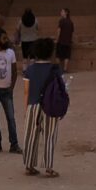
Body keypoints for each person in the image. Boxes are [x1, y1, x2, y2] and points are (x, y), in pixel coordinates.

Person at [22, 38, 62, 177]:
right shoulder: (55, 70)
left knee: (31, 135)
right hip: (50, 106)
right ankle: (49, 167)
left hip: (33, 105)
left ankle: (29, 165)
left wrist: (26, 109)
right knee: (50, 136)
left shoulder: (29, 70)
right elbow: (59, 90)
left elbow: (26, 91)